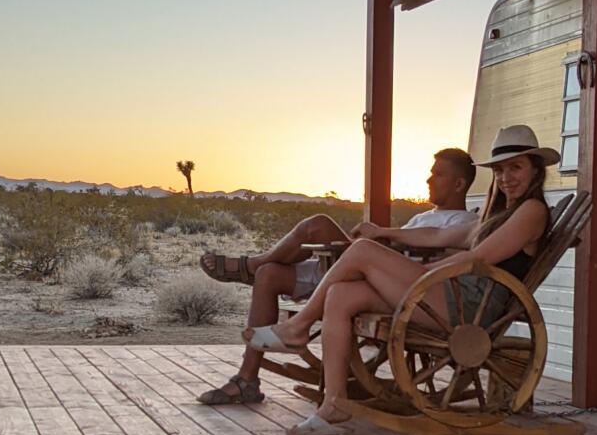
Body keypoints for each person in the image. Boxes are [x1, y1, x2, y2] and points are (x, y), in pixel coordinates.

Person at [250, 124, 558, 435]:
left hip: (468, 307)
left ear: (536, 171)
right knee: (342, 294)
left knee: (362, 252)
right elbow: (438, 234)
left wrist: (429, 272)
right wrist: (386, 232)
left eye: (515, 168)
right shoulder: (498, 213)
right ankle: (334, 403)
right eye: (500, 170)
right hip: (450, 294)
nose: (506, 178)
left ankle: (298, 328)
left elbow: (477, 258)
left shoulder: (532, 211)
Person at [195, 148, 479, 407]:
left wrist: (381, 235)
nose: (429, 180)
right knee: (270, 276)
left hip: (384, 283)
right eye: (430, 173)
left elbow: (431, 257)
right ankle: (247, 381)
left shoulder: (464, 222)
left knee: (319, 225)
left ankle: (252, 265)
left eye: (438, 174)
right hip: (360, 270)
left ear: (459, 184)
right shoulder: (423, 218)